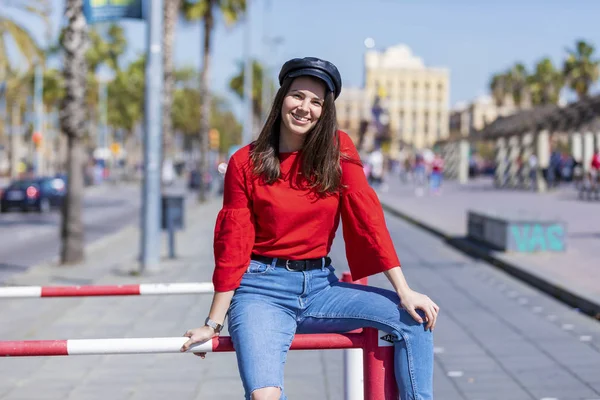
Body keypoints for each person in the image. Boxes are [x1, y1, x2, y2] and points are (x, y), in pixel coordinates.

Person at [180, 57, 439, 400]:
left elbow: (368, 218)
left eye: (316, 101)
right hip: (262, 291)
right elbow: (234, 243)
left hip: (320, 288)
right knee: (264, 396)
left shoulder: (338, 149)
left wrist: (404, 291)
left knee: (414, 319)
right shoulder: (246, 162)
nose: (305, 108)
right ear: (282, 99)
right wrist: (213, 323)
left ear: (325, 110)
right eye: (298, 96)